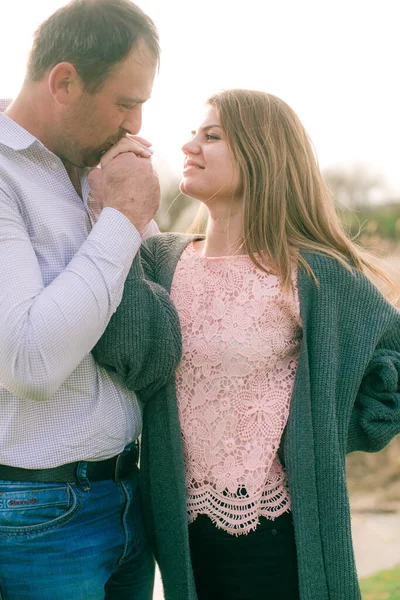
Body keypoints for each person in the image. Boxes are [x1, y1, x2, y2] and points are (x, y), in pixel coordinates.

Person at [93, 89, 400, 600]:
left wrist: (317, 434)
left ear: (262, 154)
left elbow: (392, 372)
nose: (190, 146)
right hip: (178, 535)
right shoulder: (159, 262)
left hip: (278, 535)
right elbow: (122, 354)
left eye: (211, 136)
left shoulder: (309, 273)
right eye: (194, 133)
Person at [0, 1, 182, 599]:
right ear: (64, 81)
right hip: (36, 516)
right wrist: (124, 219)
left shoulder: (95, 169)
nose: (134, 126)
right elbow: (28, 361)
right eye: (125, 103)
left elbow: (155, 313)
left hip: (129, 500)